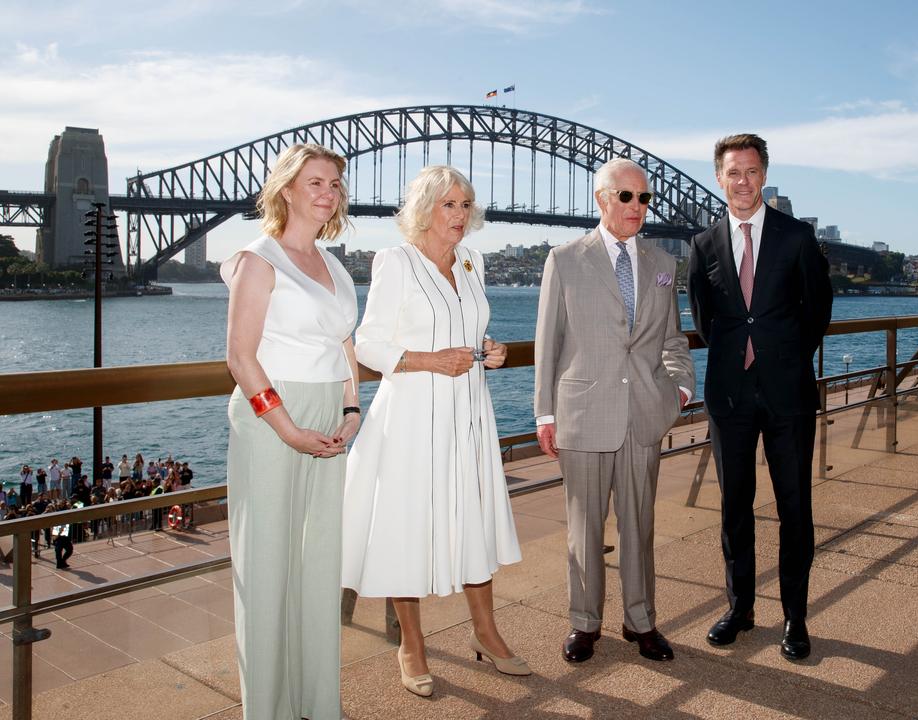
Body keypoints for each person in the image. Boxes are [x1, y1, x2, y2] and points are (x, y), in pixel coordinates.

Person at [343, 166, 526, 698]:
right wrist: (427, 360)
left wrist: (491, 349)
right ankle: (412, 646)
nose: (460, 215)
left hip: (469, 410)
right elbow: (369, 343)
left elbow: (467, 329)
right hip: (413, 413)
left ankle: (487, 634)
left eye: (466, 205)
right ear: (424, 208)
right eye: (449, 205)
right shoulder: (394, 261)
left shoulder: (473, 260)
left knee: (473, 518)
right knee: (409, 526)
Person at [533, 157, 694, 664]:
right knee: (584, 528)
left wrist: (680, 390)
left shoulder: (664, 266)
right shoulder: (564, 259)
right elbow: (547, 342)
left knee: (640, 527)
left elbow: (672, 338)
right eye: (627, 197)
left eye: (644, 198)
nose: (638, 207)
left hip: (644, 412)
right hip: (582, 413)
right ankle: (584, 624)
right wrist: (544, 414)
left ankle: (641, 621)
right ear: (602, 200)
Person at [222, 142, 360, 720]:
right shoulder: (259, 260)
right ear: (285, 189)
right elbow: (240, 357)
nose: (327, 194)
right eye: (315, 183)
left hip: (328, 417)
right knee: (267, 563)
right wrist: (287, 427)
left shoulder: (336, 265)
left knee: (317, 561)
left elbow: (344, 345)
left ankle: (315, 701)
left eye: (334, 185)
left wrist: (353, 411)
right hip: (274, 418)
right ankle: (270, 709)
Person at [687, 134, 833, 661]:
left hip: (787, 394)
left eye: (751, 171)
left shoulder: (797, 237)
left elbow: (818, 310)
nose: (742, 181)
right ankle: (740, 608)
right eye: (733, 172)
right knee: (734, 508)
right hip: (729, 397)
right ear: (720, 178)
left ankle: (795, 616)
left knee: (796, 506)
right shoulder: (703, 245)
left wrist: (783, 357)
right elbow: (706, 320)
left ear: (763, 175)